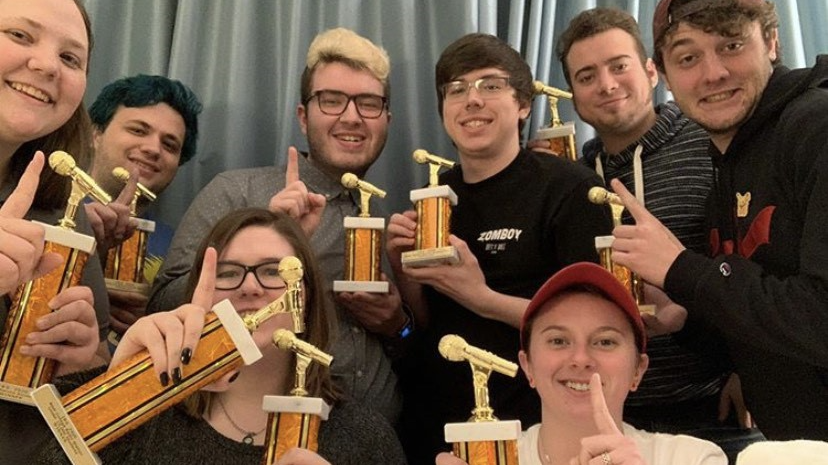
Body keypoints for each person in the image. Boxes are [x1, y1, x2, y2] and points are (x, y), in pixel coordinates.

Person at [147, 28, 405, 424]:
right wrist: (266, 247)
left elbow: (406, 343)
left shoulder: (392, 222)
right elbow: (164, 302)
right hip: (268, 429)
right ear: (303, 117)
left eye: (368, 103)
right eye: (331, 101)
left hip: (380, 436)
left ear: (386, 119)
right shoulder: (237, 190)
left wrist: (398, 325)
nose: (351, 117)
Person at [541, 7, 762, 459]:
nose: (606, 84)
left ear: (650, 71)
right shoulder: (572, 179)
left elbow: (752, 263)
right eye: (587, 76)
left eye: (619, 66)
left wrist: (750, 370)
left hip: (713, 410)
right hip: (608, 417)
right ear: (573, 95)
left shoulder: (710, 147)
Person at [386, 33, 612, 463]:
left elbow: (592, 326)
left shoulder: (569, 188)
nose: (472, 100)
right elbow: (425, 322)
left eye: (491, 85)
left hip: (535, 429)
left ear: (523, 105)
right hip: (437, 425)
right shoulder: (434, 197)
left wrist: (483, 298)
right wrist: (404, 269)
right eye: (456, 89)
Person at [608, 0, 828, 439]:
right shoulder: (728, 160)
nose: (713, 73)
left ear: (771, 42)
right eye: (688, 57)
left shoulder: (815, 125)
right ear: (665, 76)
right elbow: (767, 319)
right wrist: (683, 317)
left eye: (731, 45)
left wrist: (681, 269)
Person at [36, 208, 406, 465]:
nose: (249, 287)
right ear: (201, 292)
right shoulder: (149, 413)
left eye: (274, 271)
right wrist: (114, 391)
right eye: (228, 273)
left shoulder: (365, 439)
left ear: (307, 297)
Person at [436, 262, 728, 465]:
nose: (580, 359)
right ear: (527, 366)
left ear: (637, 370)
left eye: (605, 342)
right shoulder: (489, 459)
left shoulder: (691, 458)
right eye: (558, 341)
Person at [0, 0, 107, 461]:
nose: (45, 65)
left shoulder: (63, 209)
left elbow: (95, 362)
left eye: (71, 58)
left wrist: (82, 358)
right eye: (19, 35)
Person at [83, 74, 202, 345]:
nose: (153, 149)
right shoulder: (44, 214)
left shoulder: (181, 248)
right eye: (138, 130)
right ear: (95, 134)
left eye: (170, 144)